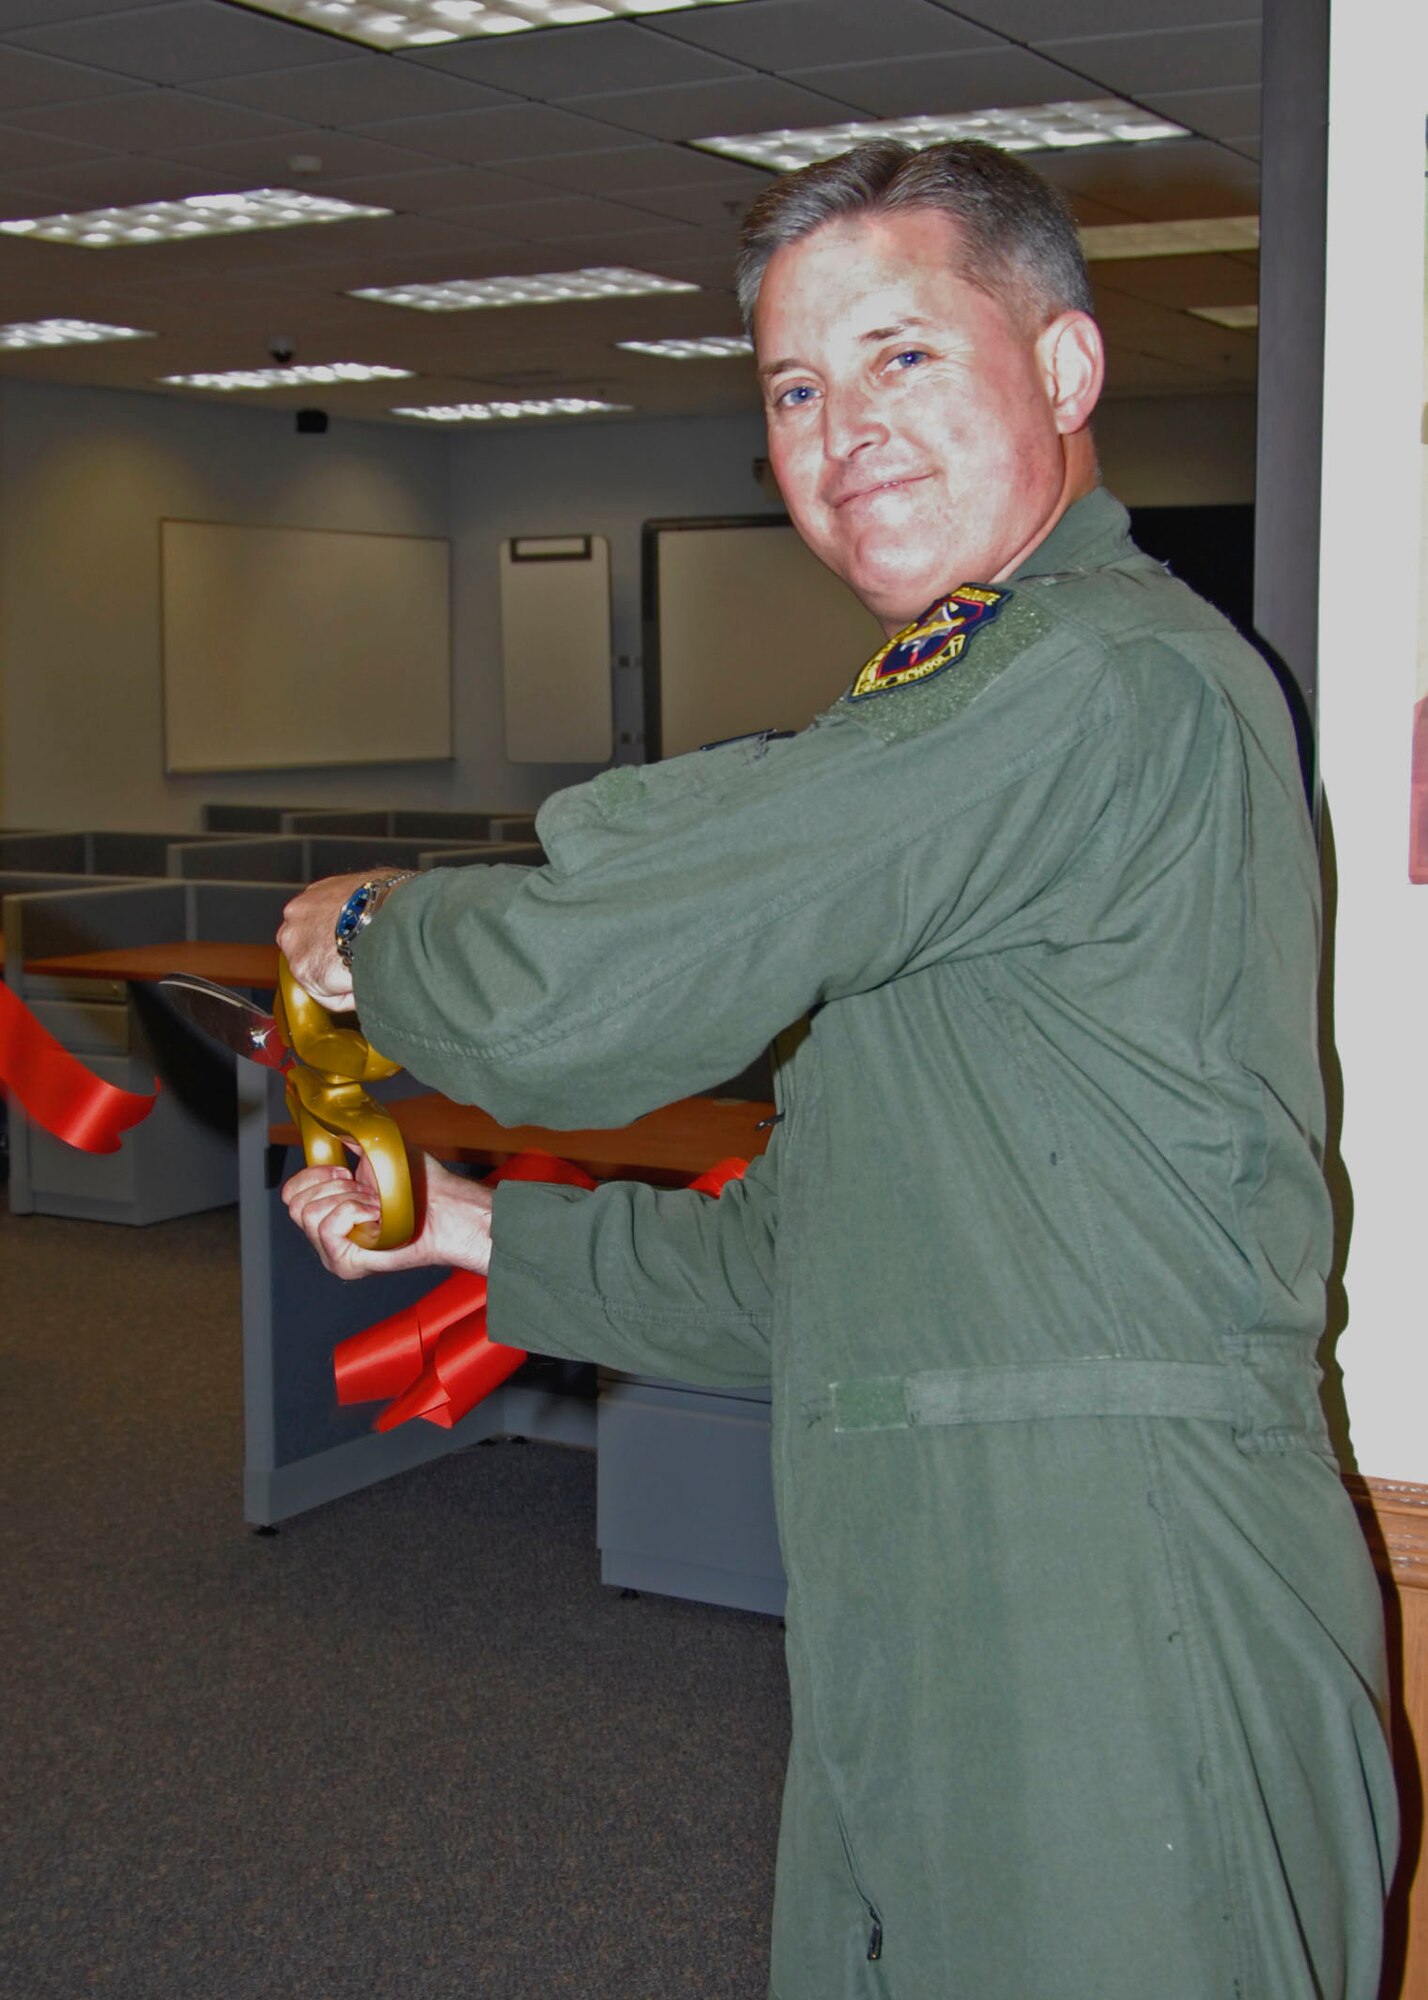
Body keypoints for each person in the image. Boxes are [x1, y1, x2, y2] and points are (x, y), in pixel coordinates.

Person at [278, 141, 1397, 2000]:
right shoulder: (971, 734)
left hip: (1112, 1592)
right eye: (794, 388)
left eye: (901, 357)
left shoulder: (1086, 685)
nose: (839, 426)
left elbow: (590, 986)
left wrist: (389, 934)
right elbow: (811, 1266)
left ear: (1063, 370)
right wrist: (470, 1236)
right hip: (947, 1586)